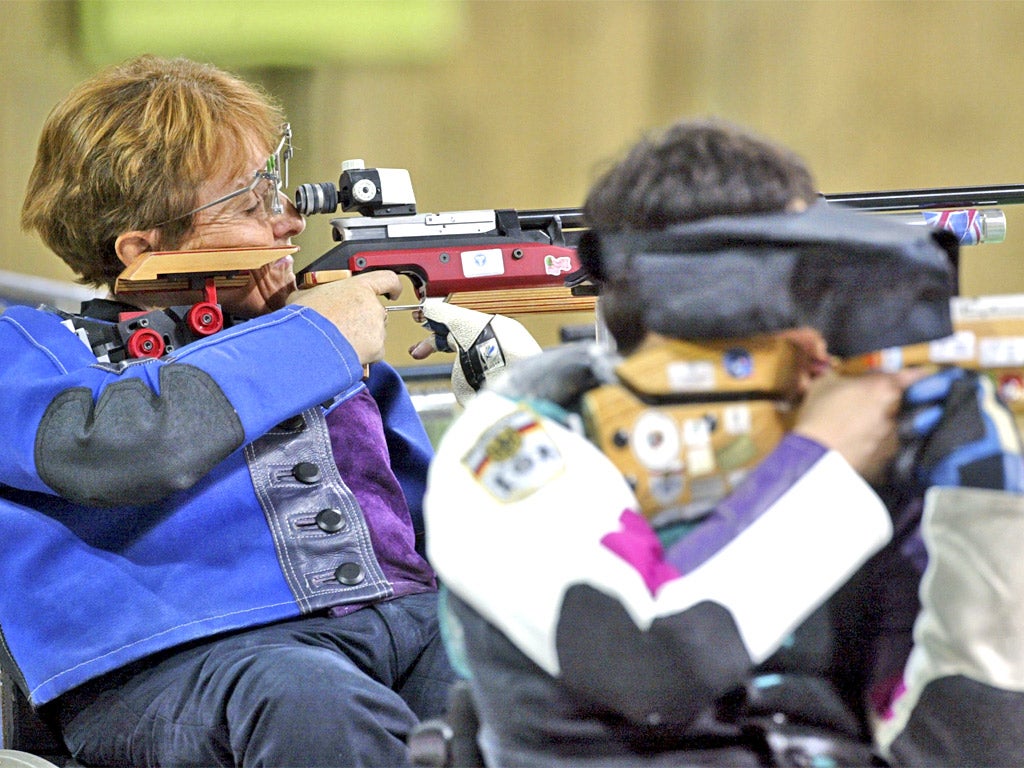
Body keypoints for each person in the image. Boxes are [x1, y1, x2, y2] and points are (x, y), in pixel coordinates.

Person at [423, 118, 1024, 766]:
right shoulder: (519, 438)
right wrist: (822, 460)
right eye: (787, 287)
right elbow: (648, 666)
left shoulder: (853, 439)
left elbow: (971, 737)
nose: (814, 341)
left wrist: (986, 512)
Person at [1, 54, 457, 767]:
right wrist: (316, 336)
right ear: (145, 248)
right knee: (309, 702)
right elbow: (113, 448)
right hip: (170, 667)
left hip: (400, 622)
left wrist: (510, 399)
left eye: (277, 196)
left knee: (534, 665)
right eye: (250, 206)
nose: (289, 224)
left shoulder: (312, 345)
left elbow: (440, 521)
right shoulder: (24, 347)